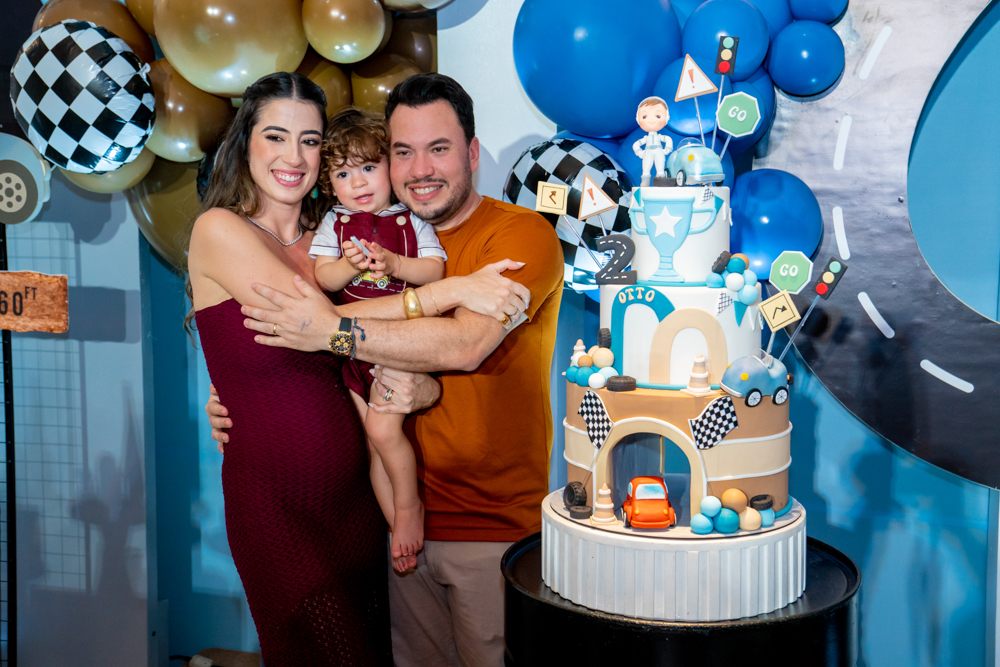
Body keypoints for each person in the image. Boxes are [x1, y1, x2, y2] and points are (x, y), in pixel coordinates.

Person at [207, 72, 565, 666]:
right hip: (388, 525)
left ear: (473, 153)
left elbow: (464, 345)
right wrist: (237, 390)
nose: (420, 168)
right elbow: (308, 331)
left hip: (488, 528)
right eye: (403, 151)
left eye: (439, 148)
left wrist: (337, 331)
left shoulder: (519, 234)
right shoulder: (350, 233)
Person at [312, 106, 447, 572]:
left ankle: (409, 508)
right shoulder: (334, 224)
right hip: (353, 351)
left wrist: (395, 264)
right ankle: (395, 527)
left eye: (369, 168)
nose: (359, 182)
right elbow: (324, 278)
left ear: (390, 166)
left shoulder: (410, 220)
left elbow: (435, 271)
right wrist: (346, 265)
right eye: (343, 174)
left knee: (383, 430)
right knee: (371, 443)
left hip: (400, 345)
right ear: (330, 184)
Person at [633, 96, 672, 186]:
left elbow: (668, 139)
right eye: (644, 116)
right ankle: (645, 183)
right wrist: (639, 152)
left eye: (658, 116)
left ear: (666, 118)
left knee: (660, 168)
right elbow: (635, 145)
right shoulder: (646, 138)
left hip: (659, 152)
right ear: (638, 119)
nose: (651, 120)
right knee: (646, 168)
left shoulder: (659, 137)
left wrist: (667, 149)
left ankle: (660, 182)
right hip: (648, 152)